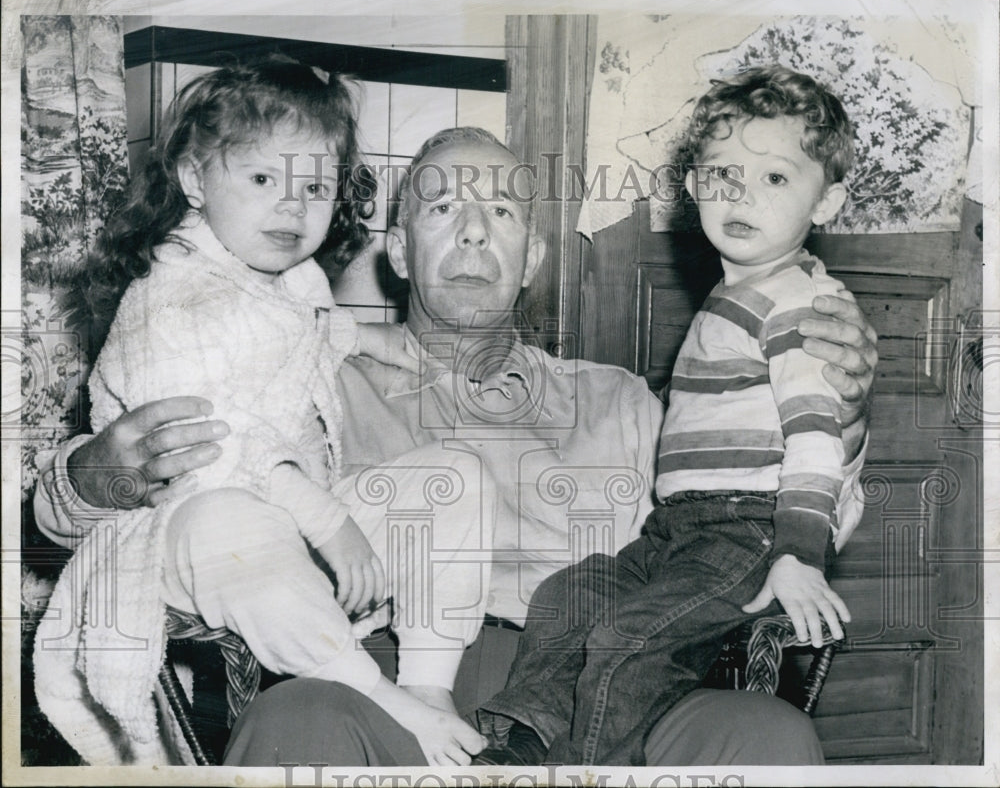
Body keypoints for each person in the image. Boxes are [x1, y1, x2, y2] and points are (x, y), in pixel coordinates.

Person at [34, 126, 879, 767]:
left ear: (532, 255)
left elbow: (756, 518)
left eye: (502, 212)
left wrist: (839, 407)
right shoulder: (312, 382)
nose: (474, 233)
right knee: (300, 721)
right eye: (443, 209)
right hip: (390, 683)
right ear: (399, 252)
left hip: (601, 682)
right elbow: (120, 533)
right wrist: (97, 474)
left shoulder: (622, 399)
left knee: (762, 731)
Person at [32, 61, 492, 767]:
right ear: (194, 179)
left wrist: (374, 339)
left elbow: (311, 328)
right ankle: (378, 692)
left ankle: (428, 685)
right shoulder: (168, 298)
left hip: (299, 519)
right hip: (189, 525)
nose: (292, 206)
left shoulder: (290, 278)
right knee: (228, 524)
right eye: (262, 179)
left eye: (314, 186)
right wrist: (330, 521)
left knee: (453, 475)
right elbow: (220, 441)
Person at [476, 66, 863, 766]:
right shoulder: (734, 294)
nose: (742, 193)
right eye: (722, 173)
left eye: (775, 178)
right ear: (691, 186)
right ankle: (524, 741)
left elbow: (817, 440)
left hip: (749, 528)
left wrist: (800, 551)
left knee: (630, 639)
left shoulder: (801, 304)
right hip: (674, 530)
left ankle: (581, 770)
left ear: (828, 199)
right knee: (571, 596)